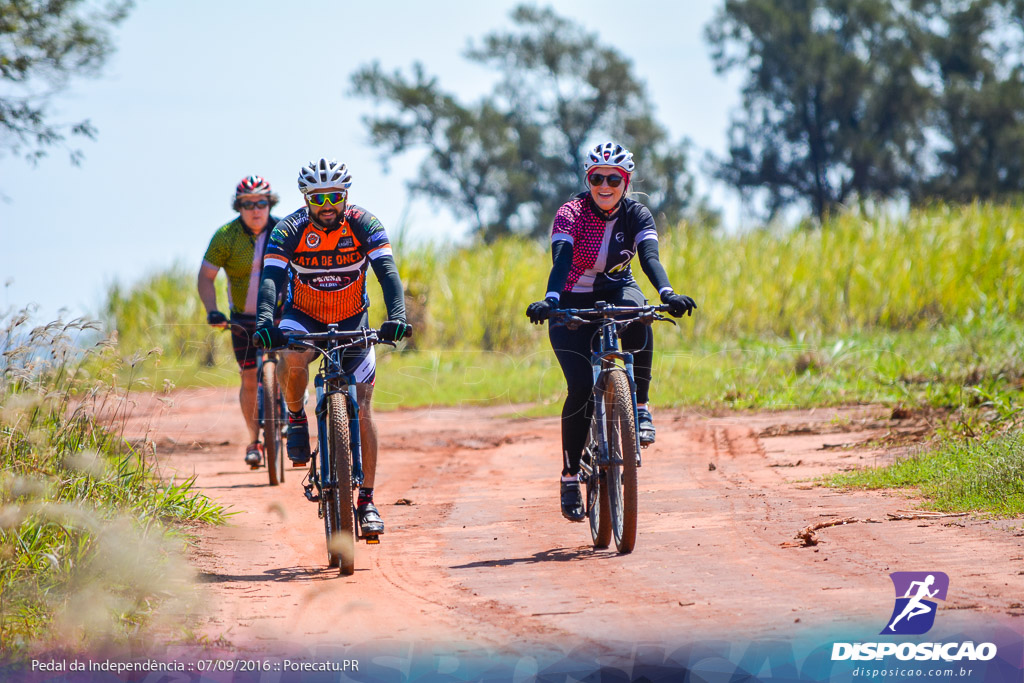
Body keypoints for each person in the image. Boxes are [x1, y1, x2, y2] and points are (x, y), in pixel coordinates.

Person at [526, 142, 697, 522]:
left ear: (626, 181)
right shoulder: (571, 213)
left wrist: (668, 293)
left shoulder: (637, 213)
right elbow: (562, 260)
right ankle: (570, 475)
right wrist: (551, 300)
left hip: (617, 287)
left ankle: (640, 405)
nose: (605, 185)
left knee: (640, 312)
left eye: (613, 179)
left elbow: (650, 258)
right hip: (571, 295)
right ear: (588, 180)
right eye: (597, 178)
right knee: (581, 390)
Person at [252, 158, 409, 536]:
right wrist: (264, 322)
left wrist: (398, 314)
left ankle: (367, 500)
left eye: (334, 197)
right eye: (318, 197)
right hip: (303, 316)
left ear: (345, 196)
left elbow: (387, 273)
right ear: (306, 198)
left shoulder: (364, 224)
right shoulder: (289, 229)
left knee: (365, 405)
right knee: (291, 356)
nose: (327, 205)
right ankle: (295, 418)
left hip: (354, 318)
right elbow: (271, 280)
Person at [198, 174, 281, 469]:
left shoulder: (285, 231)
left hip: (283, 314)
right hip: (242, 319)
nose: (255, 209)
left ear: (270, 204)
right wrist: (213, 311)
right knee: (248, 378)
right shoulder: (225, 236)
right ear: (239, 207)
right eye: (247, 204)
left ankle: (292, 408)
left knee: (292, 365)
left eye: (261, 202)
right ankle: (253, 439)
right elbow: (206, 277)